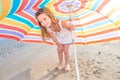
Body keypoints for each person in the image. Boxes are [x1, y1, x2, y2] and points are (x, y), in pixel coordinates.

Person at [35, 7, 74, 71]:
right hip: (59, 38)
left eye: (45, 19)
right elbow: (53, 37)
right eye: (41, 21)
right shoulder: (48, 28)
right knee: (59, 50)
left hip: (67, 37)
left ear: (50, 16)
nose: (43, 23)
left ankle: (67, 63)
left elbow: (69, 29)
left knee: (65, 51)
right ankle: (60, 63)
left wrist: (71, 27)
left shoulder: (61, 23)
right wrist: (59, 45)